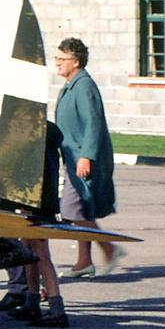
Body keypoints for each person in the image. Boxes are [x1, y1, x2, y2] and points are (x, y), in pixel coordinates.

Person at [54, 37, 122, 281]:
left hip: (84, 158)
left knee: (71, 209)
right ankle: (84, 261)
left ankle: (109, 247)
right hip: (74, 157)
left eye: (62, 59)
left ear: (76, 61)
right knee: (82, 209)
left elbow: (94, 123)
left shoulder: (83, 86)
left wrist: (86, 156)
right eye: (57, 58)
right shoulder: (72, 84)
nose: (57, 64)